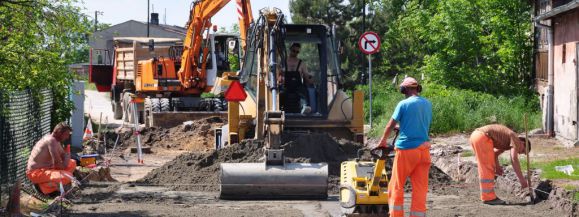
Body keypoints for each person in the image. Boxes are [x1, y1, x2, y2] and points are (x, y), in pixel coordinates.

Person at [377, 77, 432, 217]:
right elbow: (418, 124)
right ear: (418, 88)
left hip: (407, 150)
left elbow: (390, 125)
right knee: (420, 188)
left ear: (404, 89)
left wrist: (383, 141)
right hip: (424, 150)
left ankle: (396, 214)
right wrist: (402, 127)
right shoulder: (427, 104)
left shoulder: (403, 104)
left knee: (396, 185)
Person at [470, 124, 531, 205]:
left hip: (475, 136)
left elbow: (495, 154)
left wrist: (498, 167)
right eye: (523, 151)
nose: (520, 153)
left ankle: (487, 196)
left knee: (485, 167)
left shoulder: (506, 141)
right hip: (482, 137)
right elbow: (514, 159)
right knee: (487, 168)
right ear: (523, 143)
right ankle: (489, 198)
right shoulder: (515, 139)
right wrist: (522, 180)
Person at [26, 122, 77, 195]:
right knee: (68, 177)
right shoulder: (51, 141)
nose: (67, 137)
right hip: (36, 173)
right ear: (59, 132)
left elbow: (63, 155)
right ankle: (42, 187)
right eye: (66, 134)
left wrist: (66, 158)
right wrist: (66, 160)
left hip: (48, 169)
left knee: (72, 163)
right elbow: (59, 165)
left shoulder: (56, 140)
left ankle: (51, 183)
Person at [281, 43, 315, 115]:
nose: (295, 53)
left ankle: (305, 107)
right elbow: (278, 75)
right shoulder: (283, 62)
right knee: (280, 92)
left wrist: (312, 78)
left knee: (303, 91)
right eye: (294, 51)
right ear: (290, 49)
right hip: (286, 86)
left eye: (297, 52)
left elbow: (306, 76)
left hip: (297, 87)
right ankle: (278, 108)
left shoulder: (301, 63)